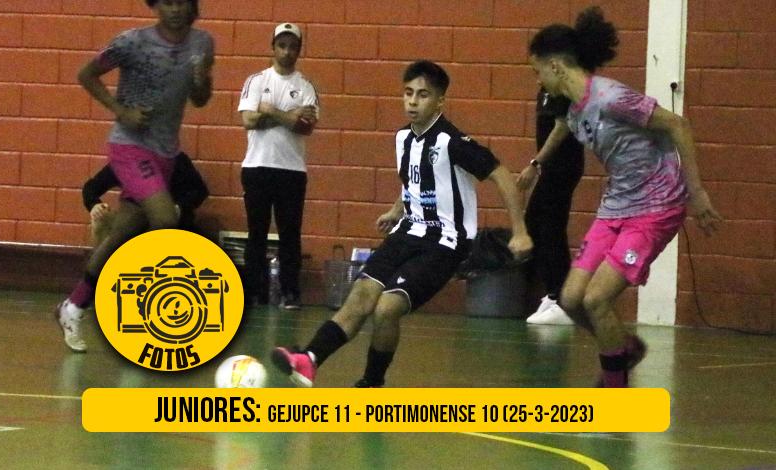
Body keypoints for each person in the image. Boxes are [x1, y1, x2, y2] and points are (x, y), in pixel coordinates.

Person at [271, 60, 533, 387]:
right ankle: (309, 359)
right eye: (408, 93)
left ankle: (372, 382)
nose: (413, 101)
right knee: (360, 295)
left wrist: (520, 231)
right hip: (407, 232)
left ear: (439, 101)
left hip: (444, 243)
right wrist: (397, 210)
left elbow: (501, 175)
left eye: (423, 95)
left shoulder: (452, 142)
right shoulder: (402, 138)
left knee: (386, 308)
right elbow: (413, 181)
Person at [528, 7, 721, 386]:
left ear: (555, 66)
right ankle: (623, 348)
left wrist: (696, 191)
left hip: (656, 206)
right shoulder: (575, 110)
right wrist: (536, 163)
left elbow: (678, 125)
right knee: (571, 299)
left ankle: (614, 387)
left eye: (537, 71)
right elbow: (564, 128)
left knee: (596, 299)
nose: (538, 80)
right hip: (616, 206)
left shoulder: (612, 98)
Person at [55, 0, 214, 353]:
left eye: (181, 2)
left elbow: (201, 99)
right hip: (130, 146)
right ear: (156, 5)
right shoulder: (133, 42)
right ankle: (145, 312)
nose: (175, 10)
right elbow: (86, 74)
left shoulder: (202, 43)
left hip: (166, 153)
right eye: (167, 2)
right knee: (165, 220)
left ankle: (73, 307)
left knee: (119, 236)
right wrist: (121, 111)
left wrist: (201, 80)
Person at [238, 22, 319, 310]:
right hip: (257, 166)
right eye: (282, 46)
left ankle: (290, 292)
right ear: (273, 47)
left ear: (299, 50)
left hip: (292, 171)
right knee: (256, 232)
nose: (286, 52)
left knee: (290, 234)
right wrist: (290, 116)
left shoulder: (306, 86)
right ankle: (255, 292)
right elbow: (248, 120)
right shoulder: (256, 81)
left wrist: (271, 110)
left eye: (292, 47)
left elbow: (306, 126)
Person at [517, 88, 585, 325]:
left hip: (562, 167)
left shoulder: (562, 90)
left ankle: (562, 301)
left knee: (551, 229)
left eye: (540, 71)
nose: (538, 77)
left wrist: (535, 163)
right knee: (534, 225)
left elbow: (562, 127)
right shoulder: (545, 89)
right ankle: (554, 293)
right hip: (551, 169)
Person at [83, 151, 209, 243]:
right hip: (136, 221)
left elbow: (200, 190)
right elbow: (91, 187)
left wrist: (179, 207)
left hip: (172, 221)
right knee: (101, 217)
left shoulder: (177, 159)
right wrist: (94, 205)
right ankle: (105, 267)